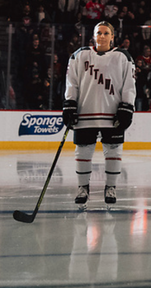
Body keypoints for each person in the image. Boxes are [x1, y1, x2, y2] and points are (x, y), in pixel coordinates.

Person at [63, 21, 135, 208]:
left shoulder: (122, 56)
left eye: (106, 33)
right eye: (98, 33)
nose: (102, 36)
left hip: (112, 113)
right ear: (93, 35)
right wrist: (70, 103)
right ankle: (82, 188)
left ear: (113, 37)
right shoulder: (79, 55)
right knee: (83, 150)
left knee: (113, 150)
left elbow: (129, 85)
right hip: (85, 111)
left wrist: (127, 106)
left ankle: (110, 187)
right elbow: (72, 82)